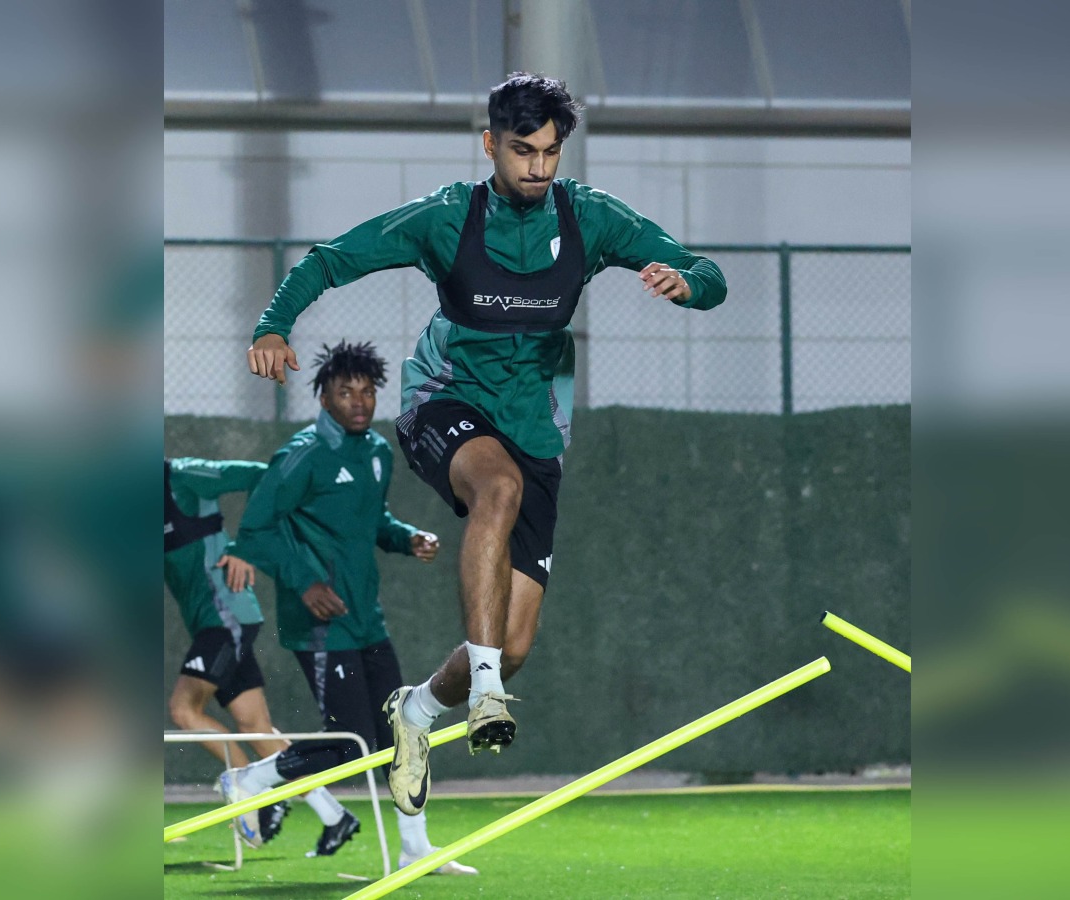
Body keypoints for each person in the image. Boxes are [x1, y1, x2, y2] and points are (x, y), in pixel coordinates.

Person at [243, 72, 728, 817]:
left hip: (534, 427)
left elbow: (710, 273)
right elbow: (330, 258)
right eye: (521, 150)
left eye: (550, 152)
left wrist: (686, 284)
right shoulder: (446, 218)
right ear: (489, 145)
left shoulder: (589, 217)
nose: (536, 167)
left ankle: (419, 712)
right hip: (446, 401)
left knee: (513, 639)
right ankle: (489, 695)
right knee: (495, 493)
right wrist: (273, 325)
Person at [216, 341, 477, 874]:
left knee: (405, 730)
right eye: (345, 392)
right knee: (348, 744)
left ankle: (415, 847)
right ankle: (248, 781)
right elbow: (255, 531)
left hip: (365, 619)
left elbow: (372, 522)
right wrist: (306, 583)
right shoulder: (302, 455)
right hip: (318, 625)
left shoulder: (378, 452)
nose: (359, 401)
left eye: (367, 391)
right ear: (324, 397)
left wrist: (406, 538)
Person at [165, 457, 337, 849]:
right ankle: (334, 814)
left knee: (184, 710)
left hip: (226, 620)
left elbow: (268, 475)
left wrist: (245, 546)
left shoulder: (184, 476)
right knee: (254, 724)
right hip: (217, 623)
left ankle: (254, 798)